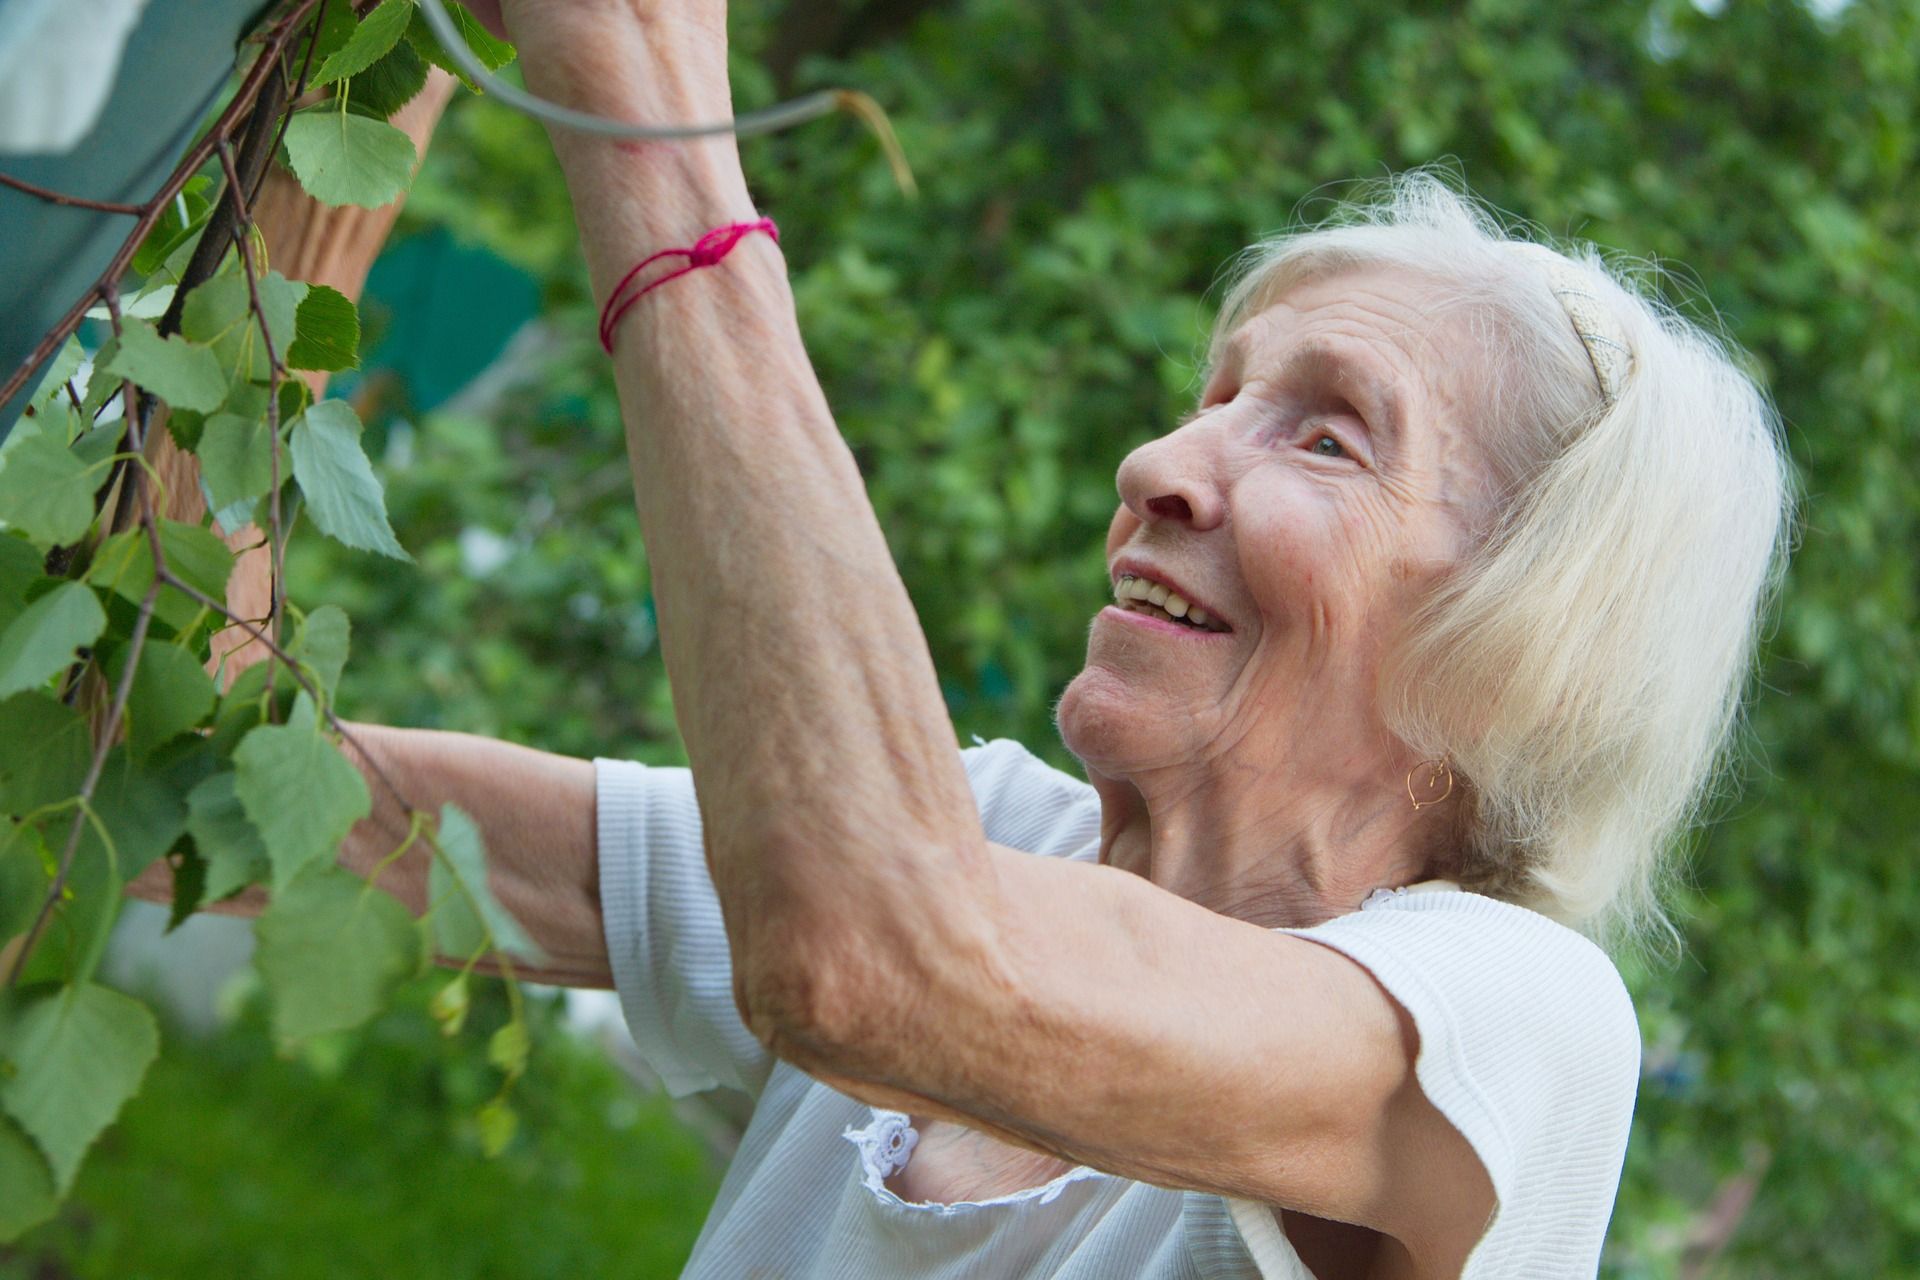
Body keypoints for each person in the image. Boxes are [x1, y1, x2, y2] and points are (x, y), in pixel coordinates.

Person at [181, 1, 1794, 1275]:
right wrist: (368, 99)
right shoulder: (992, 838)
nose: (1161, 464)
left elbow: (872, 958)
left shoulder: (1513, 1027)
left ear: (1530, 634)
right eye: (1218, 395)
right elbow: (223, 777)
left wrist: (648, 97)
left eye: (1328, 438)